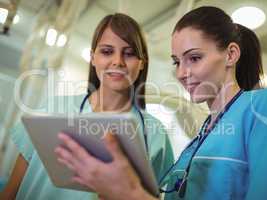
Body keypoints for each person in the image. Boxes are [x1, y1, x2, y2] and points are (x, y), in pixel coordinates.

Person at [55, 6, 267, 200]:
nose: (182, 73)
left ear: (231, 54)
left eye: (194, 58)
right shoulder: (197, 143)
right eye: (176, 62)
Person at [0, 13, 174, 200]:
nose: (118, 61)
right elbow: (12, 189)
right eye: (107, 51)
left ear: (142, 64)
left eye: (129, 53)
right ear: (93, 58)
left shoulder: (155, 135)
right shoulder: (52, 109)